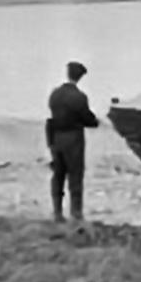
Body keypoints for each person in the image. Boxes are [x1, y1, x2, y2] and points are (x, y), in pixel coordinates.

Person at [46, 60, 101, 225]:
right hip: (73, 139)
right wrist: (96, 121)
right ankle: (76, 213)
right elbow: (88, 119)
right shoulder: (80, 97)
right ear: (80, 77)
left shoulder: (55, 94)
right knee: (75, 175)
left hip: (56, 138)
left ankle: (57, 212)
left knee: (58, 175)